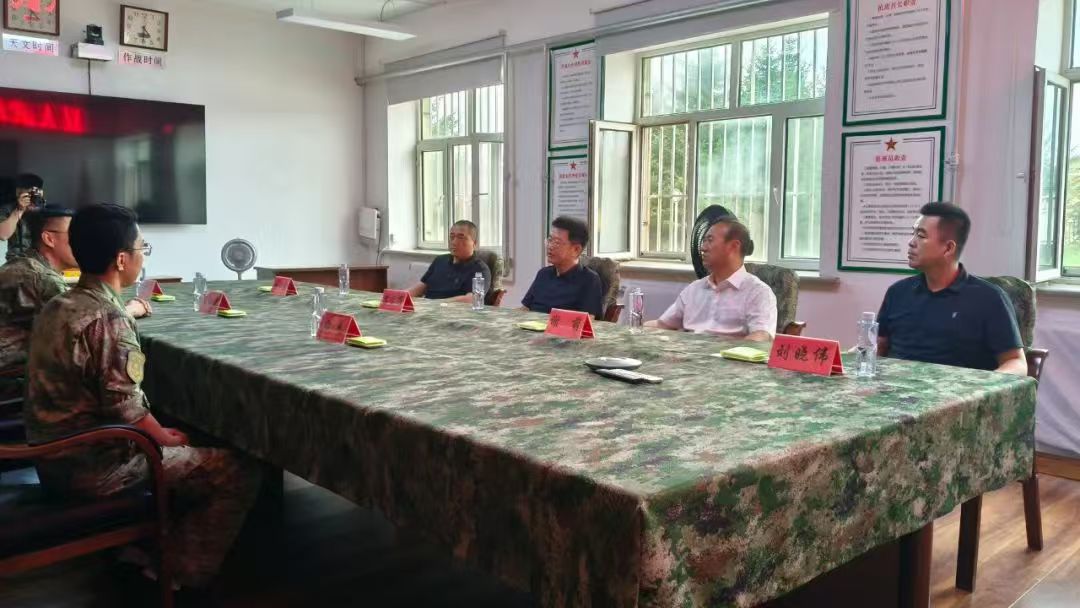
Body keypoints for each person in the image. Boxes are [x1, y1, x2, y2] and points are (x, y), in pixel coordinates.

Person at [25, 204, 261, 589]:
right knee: (238, 469)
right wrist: (164, 438)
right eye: (141, 248)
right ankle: (173, 571)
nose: (142, 255)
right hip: (93, 468)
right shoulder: (108, 318)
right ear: (121, 260)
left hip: (52, 457)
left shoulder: (60, 304)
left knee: (183, 433)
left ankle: (141, 544)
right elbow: (127, 409)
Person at [876, 202, 1027, 375]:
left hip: (957, 389)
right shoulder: (898, 292)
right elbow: (876, 346)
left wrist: (984, 387)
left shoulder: (989, 299)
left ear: (948, 248)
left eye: (921, 236)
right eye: (913, 233)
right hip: (897, 386)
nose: (911, 242)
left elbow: (1016, 363)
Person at [0, 208, 153, 371]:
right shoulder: (43, 279)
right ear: (49, 239)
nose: (83, 243)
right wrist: (131, 310)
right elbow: (92, 321)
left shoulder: (23, 264)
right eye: (73, 235)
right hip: (12, 374)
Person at [647, 218, 776, 341]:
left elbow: (761, 337)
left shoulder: (758, 293)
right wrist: (637, 331)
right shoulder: (694, 289)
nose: (703, 248)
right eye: (703, 241)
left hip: (729, 355)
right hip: (688, 353)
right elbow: (662, 325)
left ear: (734, 246)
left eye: (710, 240)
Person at [519, 216, 604, 319]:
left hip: (558, 329)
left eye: (557, 242)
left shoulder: (589, 280)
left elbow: (587, 321)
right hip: (530, 327)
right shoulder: (543, 274)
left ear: (576, 249)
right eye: (550, 240)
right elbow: (524, 309)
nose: (550, 246)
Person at [407, 220, 491, 302]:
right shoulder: (440, 260)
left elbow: (473, 299)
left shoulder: (480, 269)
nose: (454, 242)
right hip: (427, 308)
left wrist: (438, 304)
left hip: (452, 310)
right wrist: (401, 295)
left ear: (474, 243)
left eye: (461, 237)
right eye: (452, 237)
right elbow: (421, 287)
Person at [0, 173, 46, 261]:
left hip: (42, 261)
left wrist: (38, 208)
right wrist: (20, 210)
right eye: (28, 194)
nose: (31, 197)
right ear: (18, 193)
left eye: (34, 194)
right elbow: (3, 235)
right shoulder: (8, 210)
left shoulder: (47, 210)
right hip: (16, 261)